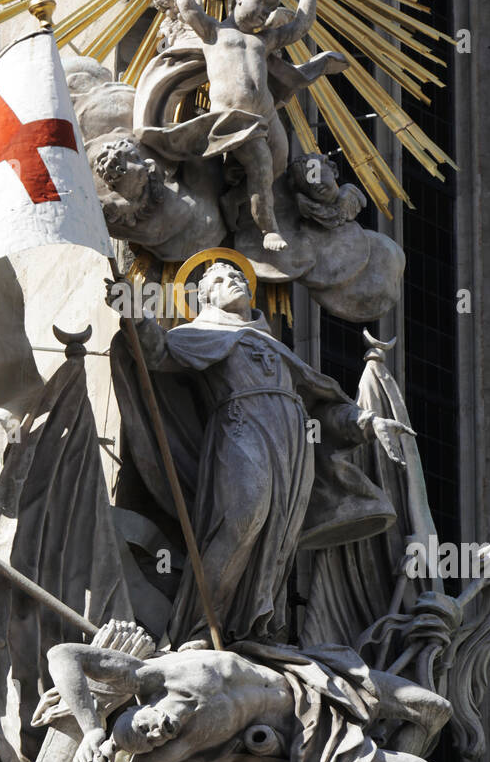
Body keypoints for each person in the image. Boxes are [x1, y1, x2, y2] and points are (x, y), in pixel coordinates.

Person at [108, 260, 414, 648]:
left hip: (293, 446)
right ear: (206, 297)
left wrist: (369, 423)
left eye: (237, 275)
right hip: (240, 430)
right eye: (220, 279)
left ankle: (259, 629)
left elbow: (323, 407)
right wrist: (134, 312)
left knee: (278, 540)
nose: (233, 280)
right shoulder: (201, 333)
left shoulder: (273, 345)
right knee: (239, 521)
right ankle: (201, 627)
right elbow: (156, 353)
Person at [3, 634, 450, 762]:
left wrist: (93, 729)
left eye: (144, 728)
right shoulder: (180, 746)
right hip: (316, 735)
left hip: (313, 674)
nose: (156, 736)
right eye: (152, 745)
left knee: (436, 710)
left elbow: (64, 654)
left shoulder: (160, 672)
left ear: (141, 705)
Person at [144, 0, 347, 252]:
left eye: (272, 6)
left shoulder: (264, 40)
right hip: (234, 118)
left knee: (278, 164)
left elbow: (300, 25)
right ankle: (268, 229)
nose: (266, 11)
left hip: (265, 114)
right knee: (262, 166)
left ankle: (235, 199)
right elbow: (185, 2)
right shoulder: (214, 32)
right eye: (261, 1)